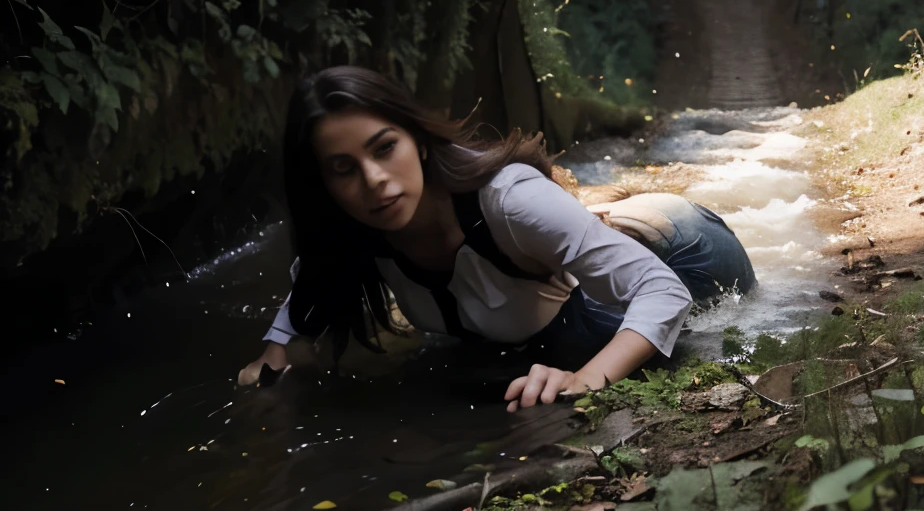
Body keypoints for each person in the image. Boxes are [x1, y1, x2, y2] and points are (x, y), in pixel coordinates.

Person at [238, 67, 755, 411]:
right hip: (559, 270)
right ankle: (586, 225)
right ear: (323, 185)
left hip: (689, 248)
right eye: (344, 168)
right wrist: (270, 361)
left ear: (417, 141)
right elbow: (303, 301)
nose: (373, 179)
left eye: (385, 147)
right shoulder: (347, 233)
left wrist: (586, 380)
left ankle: (596, 222)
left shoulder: (507, 199)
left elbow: (662, 291)